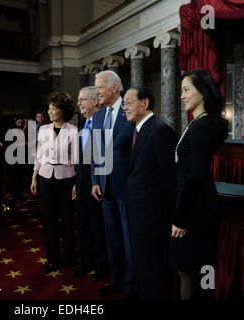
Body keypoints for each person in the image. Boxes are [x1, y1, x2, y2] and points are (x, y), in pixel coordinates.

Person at [169, 68, 228, 300]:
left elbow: (197, 176)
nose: (182, 96)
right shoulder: (199, 124)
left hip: (197, 210)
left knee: (191, 269)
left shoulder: (202, 127)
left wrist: (181, 218)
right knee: (199, 268)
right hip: (198, 205)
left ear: (202, 92)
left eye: (186, 90)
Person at [123, 86, 178, 300]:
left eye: (128, 102)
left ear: (144, 103)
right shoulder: (138, 130)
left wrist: (171, 217)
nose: (124, 107)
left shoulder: (160, 130)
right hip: (138, 214)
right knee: (143, 267)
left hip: (152, 217)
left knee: (153, 269)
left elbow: (172, 178)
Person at [91, 70, 135, 297]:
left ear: (114, 88)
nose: (95, 91)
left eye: (99, 87)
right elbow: (95, 152)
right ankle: (116, 281)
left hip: (127, 188)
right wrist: (95, 181)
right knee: (113, 239)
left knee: (130, 241)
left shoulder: (130, 112)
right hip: (104, 188)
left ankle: (130, 287)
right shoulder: (98, 116)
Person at [31, 92, 78, 273]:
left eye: (53, 108)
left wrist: (76, 183)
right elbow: (39, 156)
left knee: (67, 220)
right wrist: (35, 177)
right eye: (49, 108)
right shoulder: (43, 130)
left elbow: (76, 160)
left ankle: (68, 258)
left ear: (62, 110)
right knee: (49, 220)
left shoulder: (73, 131)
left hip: (66, 178)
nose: (49, 111)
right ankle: (53, 260)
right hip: (45, 177)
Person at [71, 86, 109, 281]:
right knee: (83, 226)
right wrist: (77, 183)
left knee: (99, 228)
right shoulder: (82, 124)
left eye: (82, 99)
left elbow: (104, 157)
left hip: (98, 185)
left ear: (95, 101)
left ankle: (102, 268)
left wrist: (98, 182)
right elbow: (81, 160)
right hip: (83, 184)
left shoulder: (104, 123)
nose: (79, 104)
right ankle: (86, 263)